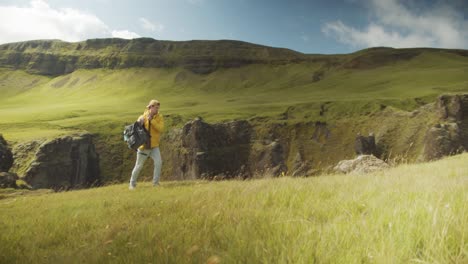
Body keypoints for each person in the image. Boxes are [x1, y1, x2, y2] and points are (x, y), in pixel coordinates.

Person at [129, 99, 164, 190]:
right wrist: (139, 122)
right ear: (150, 107)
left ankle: (155, 183)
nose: (157, 110)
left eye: (158, 108)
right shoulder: (142, 117)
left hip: (154, 146)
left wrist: (152, 121)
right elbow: (136, 127)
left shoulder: (159, 117)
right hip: (144, 147)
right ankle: (132, 184)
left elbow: (161, 129)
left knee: (158, 162)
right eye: (156, 108)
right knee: (139, 165)